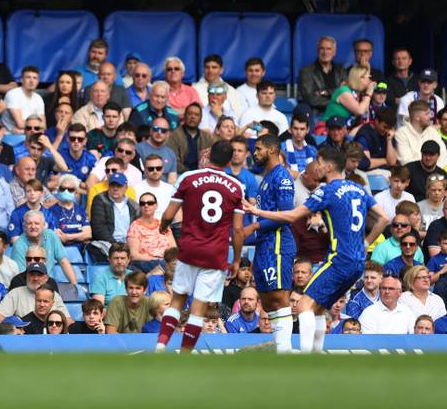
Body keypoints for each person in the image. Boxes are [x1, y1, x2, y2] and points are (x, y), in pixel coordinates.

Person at [245, 147, 389, 353]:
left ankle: (306, 359)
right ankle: (317, 354)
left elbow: (292, 215)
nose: (316, 166)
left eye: (319, 162)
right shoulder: (358, 188)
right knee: (319, 309)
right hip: (358, 262)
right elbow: (384, 218)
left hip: (339, 259)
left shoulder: (327, 190)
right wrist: (365, 244)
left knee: (304, 305)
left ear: (329, 166)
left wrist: (257, 211)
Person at [155, 140, 245, 354]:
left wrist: (163, 226)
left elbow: (169, 214)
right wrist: (237, 259)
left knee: (177, 300)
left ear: (209, 154)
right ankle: (185, 354)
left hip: (189, 249)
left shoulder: (188, 178)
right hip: (215, 254)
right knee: (199, 307)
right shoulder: (236, 187)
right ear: (230, 160)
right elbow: (239, 230)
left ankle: (160, 346)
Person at [239, 134, 296, 352]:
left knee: (280, 297)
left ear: (272, 150)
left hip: (278, 242)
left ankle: (285, 352)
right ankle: (280, 347)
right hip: (265, 245)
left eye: (259, 149)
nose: (255, 153)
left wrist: (254, 226)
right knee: (268, 299)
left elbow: (285, 213)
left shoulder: (281, 177)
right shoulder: (266, 178)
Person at [89, 172, 140, 261]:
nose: (115, 188)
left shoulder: (133, 205)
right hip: (107, 244)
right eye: (112, 185)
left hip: (129, 244)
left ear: (126, 187)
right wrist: (116, 246)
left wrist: (130, 246)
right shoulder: (100, 200)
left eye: (119, 186)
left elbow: (138, 229)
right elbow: (99, 228)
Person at [127, 192, 176, 272]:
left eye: (150, 203)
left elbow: (173, 248)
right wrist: (157, 259)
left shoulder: (163, 224)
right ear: (139, 207)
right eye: (143, 203)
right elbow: (134, 255)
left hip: (167, 261)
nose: (146, 205)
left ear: (156, 206)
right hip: (146, 263)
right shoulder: (135, 226)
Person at [299, 36, 347, 118]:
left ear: (334, 52)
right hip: (317, 113)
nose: (325, 52)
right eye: (322, 48)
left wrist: (325, 92)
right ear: (317, 51)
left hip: (340, 113)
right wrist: (336, 101)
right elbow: (310, 98)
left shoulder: (341, 70)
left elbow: (345, 93)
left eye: (328, 49)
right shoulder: (306, 71)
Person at [396, 101, 447, 167]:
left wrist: (433, 169)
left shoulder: (432, 131)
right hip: (412, 175)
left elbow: (443, 154)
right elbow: (406, 161)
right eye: (427, 114)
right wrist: (426, 169)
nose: (430, 116)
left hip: (435, 173)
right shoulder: (401, 133)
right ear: (417, 117)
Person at [167, 103, 215, 172]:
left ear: (201, 119)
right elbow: (173, 161)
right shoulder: (174, 135)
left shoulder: (207, 137)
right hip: (180, 174)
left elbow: (211, 160)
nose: (193, 117)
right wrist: (188, 172)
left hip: (202, 174)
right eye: (190, 114)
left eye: (196, 115)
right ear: (184, 116)